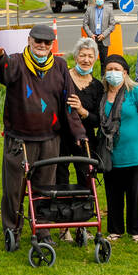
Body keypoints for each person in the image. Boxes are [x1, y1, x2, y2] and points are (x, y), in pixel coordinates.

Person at [0, 24, 80, 249]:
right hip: (19, 139)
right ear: (29, 41)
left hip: (50, 139)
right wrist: (0, 59)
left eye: (47, 43)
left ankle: (43, 230)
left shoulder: (59, 65)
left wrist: (78, 132)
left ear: (52, 45)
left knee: (44, 188)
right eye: (38, 41)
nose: (42, 46)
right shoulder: (17, 62)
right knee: (14, 189)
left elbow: (69, 100)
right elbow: (5, 74)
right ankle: (12, 231)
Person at [97, 52, 138, 243]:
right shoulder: (102, 95)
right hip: (112, 154)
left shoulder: (136, 92)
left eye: (117, 70)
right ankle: (115, 229)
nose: (113, 73)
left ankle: (135, 231)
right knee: (113, 193)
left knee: (135, 194)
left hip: (135, 154)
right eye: (109, 70)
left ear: (125, 73)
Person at [57, 37, 105, 186]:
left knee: (86, 176)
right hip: (61, 135)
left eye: (90, 56)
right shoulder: (63, 79)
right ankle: (60, 207)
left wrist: (82, 110)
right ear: (76, 57)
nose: (86, 60)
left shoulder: (97, 86)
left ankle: (85, 208)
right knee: (59, 174)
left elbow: (98, 120)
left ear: (95, 59)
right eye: (82, 55)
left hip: (85, 137)